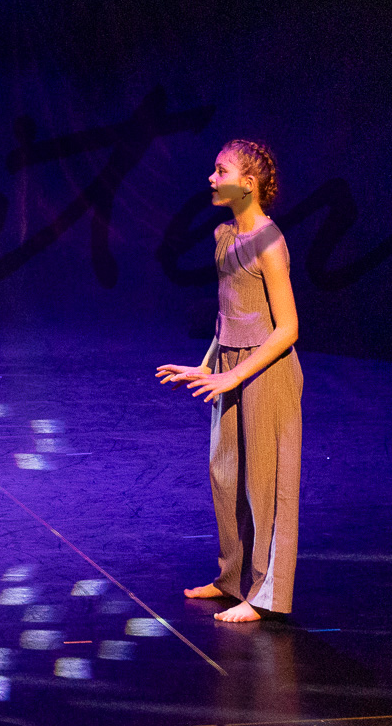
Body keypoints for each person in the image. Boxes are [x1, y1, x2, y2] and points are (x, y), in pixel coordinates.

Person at [156, 140, 301, 623]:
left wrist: (236, 372)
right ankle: (232, 579)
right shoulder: (224, 235)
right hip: (229, 366)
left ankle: (265, 595)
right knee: (227, 477)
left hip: (267, 371)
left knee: (266, 484)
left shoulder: (269, 241)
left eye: (221, 171)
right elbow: (230, 315)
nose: (212, 179)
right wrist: (208, 366)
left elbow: (287, 328)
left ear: (249, 184)